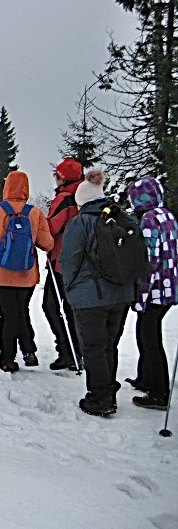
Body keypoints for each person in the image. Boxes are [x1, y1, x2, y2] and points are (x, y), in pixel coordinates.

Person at [60, 169, 134, 416]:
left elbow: (68, 260)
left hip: (89, 296)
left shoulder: (80, 223)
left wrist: (70, 289)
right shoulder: (120, 218)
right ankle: (108, 391)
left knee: (93, 347)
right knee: (109, 345)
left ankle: (99, 398)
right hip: (121, 294)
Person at [0, 171, 53, 372]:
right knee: (21, 311)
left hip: (0, 275)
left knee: (7, 315)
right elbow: (47, 243)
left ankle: (7, 358)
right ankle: (28, 349)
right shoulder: (35, 213)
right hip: (26, 275)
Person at [125, 176, 178, 410]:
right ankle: (145, 378)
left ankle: (159, 392)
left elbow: (149, 261)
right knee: (145, 333)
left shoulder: (148, 220)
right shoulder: (167, 216)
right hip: (168, 288)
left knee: (150, 338)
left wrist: (141, 296)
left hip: (155, 289)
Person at [43, 158, 84, 370]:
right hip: (81, 263)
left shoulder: (65, 198)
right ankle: (78, 351)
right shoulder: (84, 196)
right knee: (72, 308)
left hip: (61, 261)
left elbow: (51, 228)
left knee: (51, 306)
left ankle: (67, 350)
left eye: (57, 176)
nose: (55, 180)